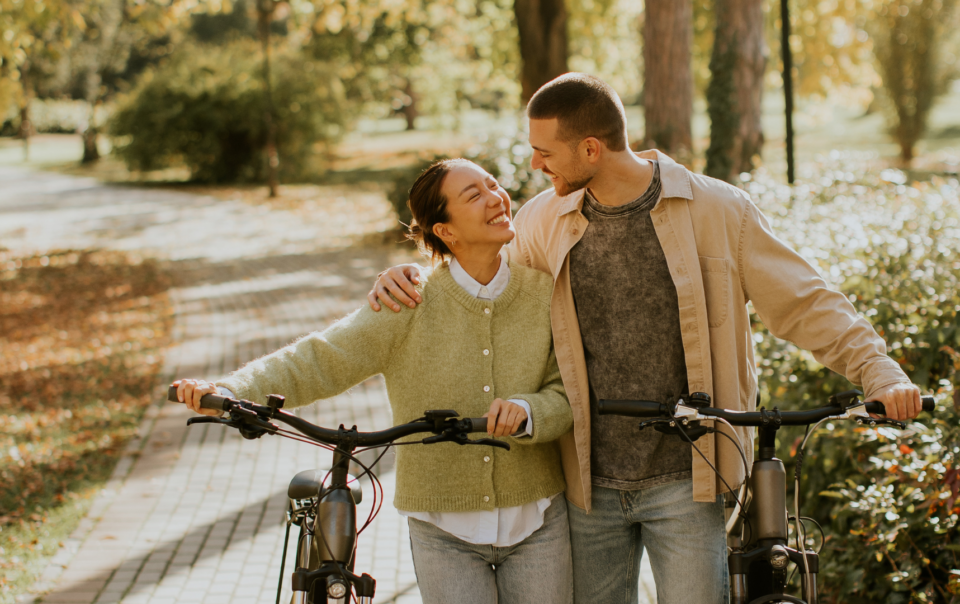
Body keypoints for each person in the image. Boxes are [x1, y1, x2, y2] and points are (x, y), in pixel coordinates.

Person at [366, 73, 923, 604]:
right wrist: (410, 277)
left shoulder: (718, 211)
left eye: (545, 152)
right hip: (585, 481)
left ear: (590, 150)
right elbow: (483, 282)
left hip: (689, 477)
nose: (534, 166)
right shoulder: (543, 221)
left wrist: (881, 373)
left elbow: (807, 302)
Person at [174, 158, 575, 604]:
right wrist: (231, 390)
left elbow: (565, 392)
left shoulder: (544, 293)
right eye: (473, 195)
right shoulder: (410, 299)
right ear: (445, 230)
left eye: (492, 185)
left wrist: (529, 411)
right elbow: (322, 357)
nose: (496, 198)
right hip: (444, 532)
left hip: (538, 521)